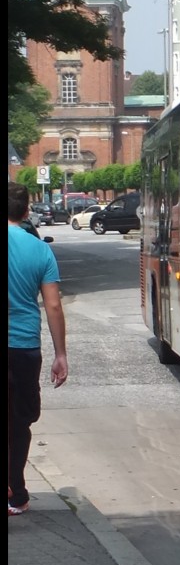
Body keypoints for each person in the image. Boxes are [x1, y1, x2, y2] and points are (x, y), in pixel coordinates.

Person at [8, 182, 68, 516]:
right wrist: (60, 354)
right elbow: (53, 306)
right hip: (23, 346)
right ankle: (16, 494)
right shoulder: (40, 250)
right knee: (20, 421)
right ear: (27, 211)